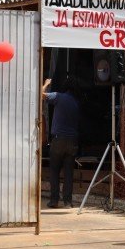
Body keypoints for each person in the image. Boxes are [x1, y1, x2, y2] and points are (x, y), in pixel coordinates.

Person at [42, 76, 80, 208]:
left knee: (54, 171)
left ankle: (54, 201)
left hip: (58, 140)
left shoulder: (59, 97)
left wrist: (46, 84)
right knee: (68, 173)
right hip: (72, 141)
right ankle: (68, 202)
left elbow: (40, 94)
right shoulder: (76, 102)